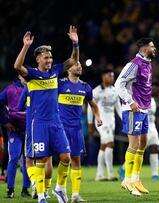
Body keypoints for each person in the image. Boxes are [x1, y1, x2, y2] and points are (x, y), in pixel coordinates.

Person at [14, 25, 79, 203]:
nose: (49, 60)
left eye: (50, 57)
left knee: (66, 157)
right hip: (39, 123)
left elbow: (73, 61)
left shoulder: (56, 71)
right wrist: (26, 46)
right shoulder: (32, 75)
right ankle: (42, 195)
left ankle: (59, 189)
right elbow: (17, 65)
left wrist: (75, 44)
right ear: (38, 60)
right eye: (46, 57)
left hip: (56, 122)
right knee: (41, 160)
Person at [115, 38, 156, 196]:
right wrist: (130, 102)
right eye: (152, 46)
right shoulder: (134, 64)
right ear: (145, 48)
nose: (155, 49)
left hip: (144, 110)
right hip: (133, 109)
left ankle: (136, 179)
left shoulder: (148, 63)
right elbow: (119, 84)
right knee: (134, 143)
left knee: (143, 143)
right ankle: (127, 180)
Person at [59, 61, 102, 202]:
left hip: (76, 128)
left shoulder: (85, 87)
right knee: (65, 159)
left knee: (76, 160)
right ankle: (59, 190)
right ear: (68, 69)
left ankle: (75, 195)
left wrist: (98, 117)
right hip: (61, 127)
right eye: (76, 65)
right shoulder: (60, 84)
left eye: (80, 65)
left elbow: (94, 105)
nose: (79, 67)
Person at [87, 69, 121, 181]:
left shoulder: (115, 91)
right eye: (109, 76)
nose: (111, 78)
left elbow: (118, 108)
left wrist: (124, 120)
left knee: (104, 146)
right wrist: (90, 123)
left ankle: (99, 174)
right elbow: (90, 107)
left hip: (111, 122)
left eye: (112, 76)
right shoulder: (96, 91)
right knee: (110, 144)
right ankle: (110, 173)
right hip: (101, 121)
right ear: (103, 77)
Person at [0, 75, 31, 198]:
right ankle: (10, 189)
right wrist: (5, 121)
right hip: (16, 131)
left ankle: (25, 189)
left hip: (30, 130)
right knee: (13, 159)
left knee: (28, 160)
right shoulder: (10, 89)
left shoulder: (34, 86)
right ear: (19, 75)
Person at [147, 82, 159, 180]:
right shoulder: (142, 96)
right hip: (144, 127)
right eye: (158, 91)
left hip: (152, 126)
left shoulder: (153, 100)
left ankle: (155, 174)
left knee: (154, 147)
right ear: (152, 88)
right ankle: (124, 168)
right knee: (137, 149)